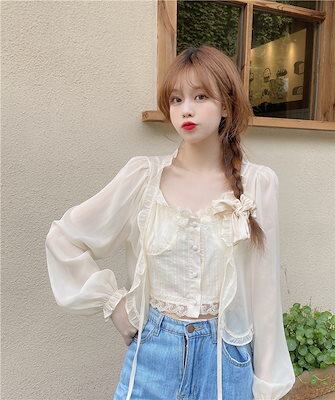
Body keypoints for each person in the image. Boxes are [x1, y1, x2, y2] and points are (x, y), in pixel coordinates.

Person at [45, 45, 296, 400]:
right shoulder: (143, 177)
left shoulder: (258, 184)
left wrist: (268, 386)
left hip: (226, 363)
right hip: (153, 355)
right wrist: (114, 305)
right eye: (176, 99)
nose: (186, 109)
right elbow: (65, 238)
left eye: (200, 97)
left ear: (226, 105)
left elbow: (265, 293)